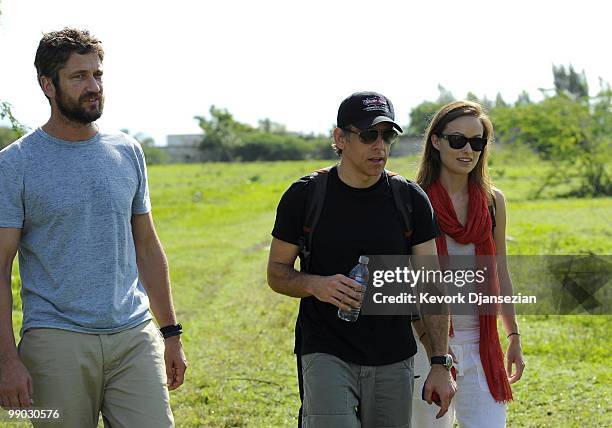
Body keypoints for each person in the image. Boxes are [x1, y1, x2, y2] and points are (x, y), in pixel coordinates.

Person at [0, 28, 186, 427]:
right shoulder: (15, 164)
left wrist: (170, 332)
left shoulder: (127, 151)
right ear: (47, 85)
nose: (93, 86)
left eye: (97, 75)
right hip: (55, 341)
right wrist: (7, 361)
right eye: (79, 77)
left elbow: (148, 247)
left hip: (134, 334)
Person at [267, 91, 456, 428]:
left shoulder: (410, 199)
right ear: (340, 138)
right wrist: (314, 284)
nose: (379, 146)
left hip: (394, 356)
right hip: (325, 350)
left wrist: (439, 363)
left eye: (387, 136)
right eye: (369, 135)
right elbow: (277, 273)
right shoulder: (305, 196)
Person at [411, 100, 525, 427]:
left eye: (477, 142)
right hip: (426, 347)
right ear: (436, 141)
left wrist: (513, 335)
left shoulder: (492, 201)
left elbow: (499, 271)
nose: (468, 150)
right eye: (458, 140)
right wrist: (436, 354)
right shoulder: (414, 200)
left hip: (480, 347)